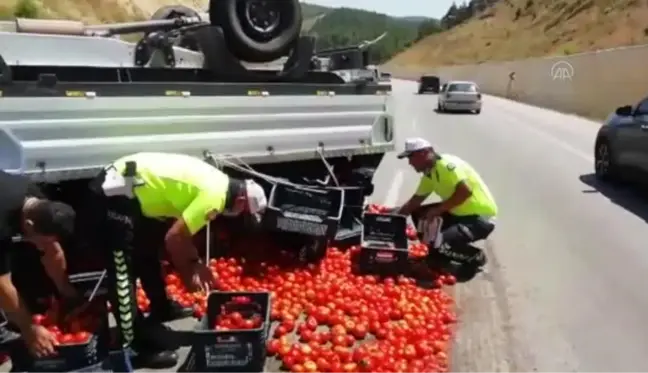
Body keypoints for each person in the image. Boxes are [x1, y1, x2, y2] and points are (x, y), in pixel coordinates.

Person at [83, 152, 268, 368]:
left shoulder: (220, 182)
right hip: (115, 191)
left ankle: (161, 307)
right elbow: (175, 239)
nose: (239, 215)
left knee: (148, 251)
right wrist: (189, 271)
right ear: (240, 200)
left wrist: (194, 261)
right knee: (123, 270)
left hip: (136, 191)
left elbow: (180, 234)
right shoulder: (214, 199)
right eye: (243, 212)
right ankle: (133, 347)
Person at [0, 170, 77, 358]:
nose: (41, 245)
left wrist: (66, 292)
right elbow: (1, 283)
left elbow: (53, 251)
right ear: (28, 224)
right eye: (40, 240)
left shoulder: (39, 200)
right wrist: (29, 329)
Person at [394, 138, 497, 270]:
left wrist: (438, 210)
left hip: (479, 218)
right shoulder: (429, 174)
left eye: (411, 157)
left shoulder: (446, 165)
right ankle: (434, 253)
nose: (409, 163)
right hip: (457, 213)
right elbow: (414, 202)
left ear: (424, 153)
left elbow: (465, 191)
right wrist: (392, 217)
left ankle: (475, 256)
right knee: (419, 213)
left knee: (442, 243)